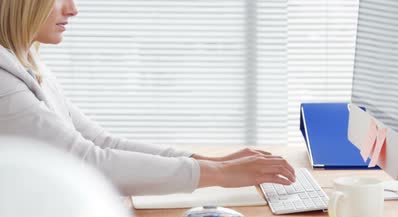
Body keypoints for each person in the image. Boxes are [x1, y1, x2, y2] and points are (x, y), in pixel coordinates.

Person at [0, 0, 295, 196]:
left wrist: (207, 160)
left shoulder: (25, 63)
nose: (73, 9)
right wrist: (218, 173)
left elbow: (102, 142)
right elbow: (87, 162)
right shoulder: (4, 79)